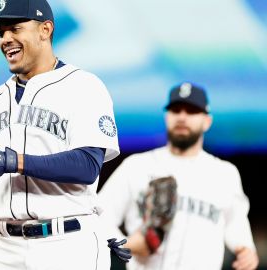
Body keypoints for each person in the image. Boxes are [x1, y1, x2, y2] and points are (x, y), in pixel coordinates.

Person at [0, 0, 129, 269]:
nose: (6, 39)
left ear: (45, 29)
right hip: (7, 249)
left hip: (68, 244)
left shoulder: (83, 86)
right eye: (1, 33)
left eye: (15, 29)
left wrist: (13, 160)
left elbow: (87, 165)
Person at [97, 82, 259, 270]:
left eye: (191, 111)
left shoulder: (224, 174)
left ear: (207, 121)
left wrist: (246, 249)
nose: (182, 117)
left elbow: (235, 223)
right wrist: (126, 244)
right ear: (167, 117)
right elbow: (99, 217)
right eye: (176, 110)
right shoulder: (137, 165)